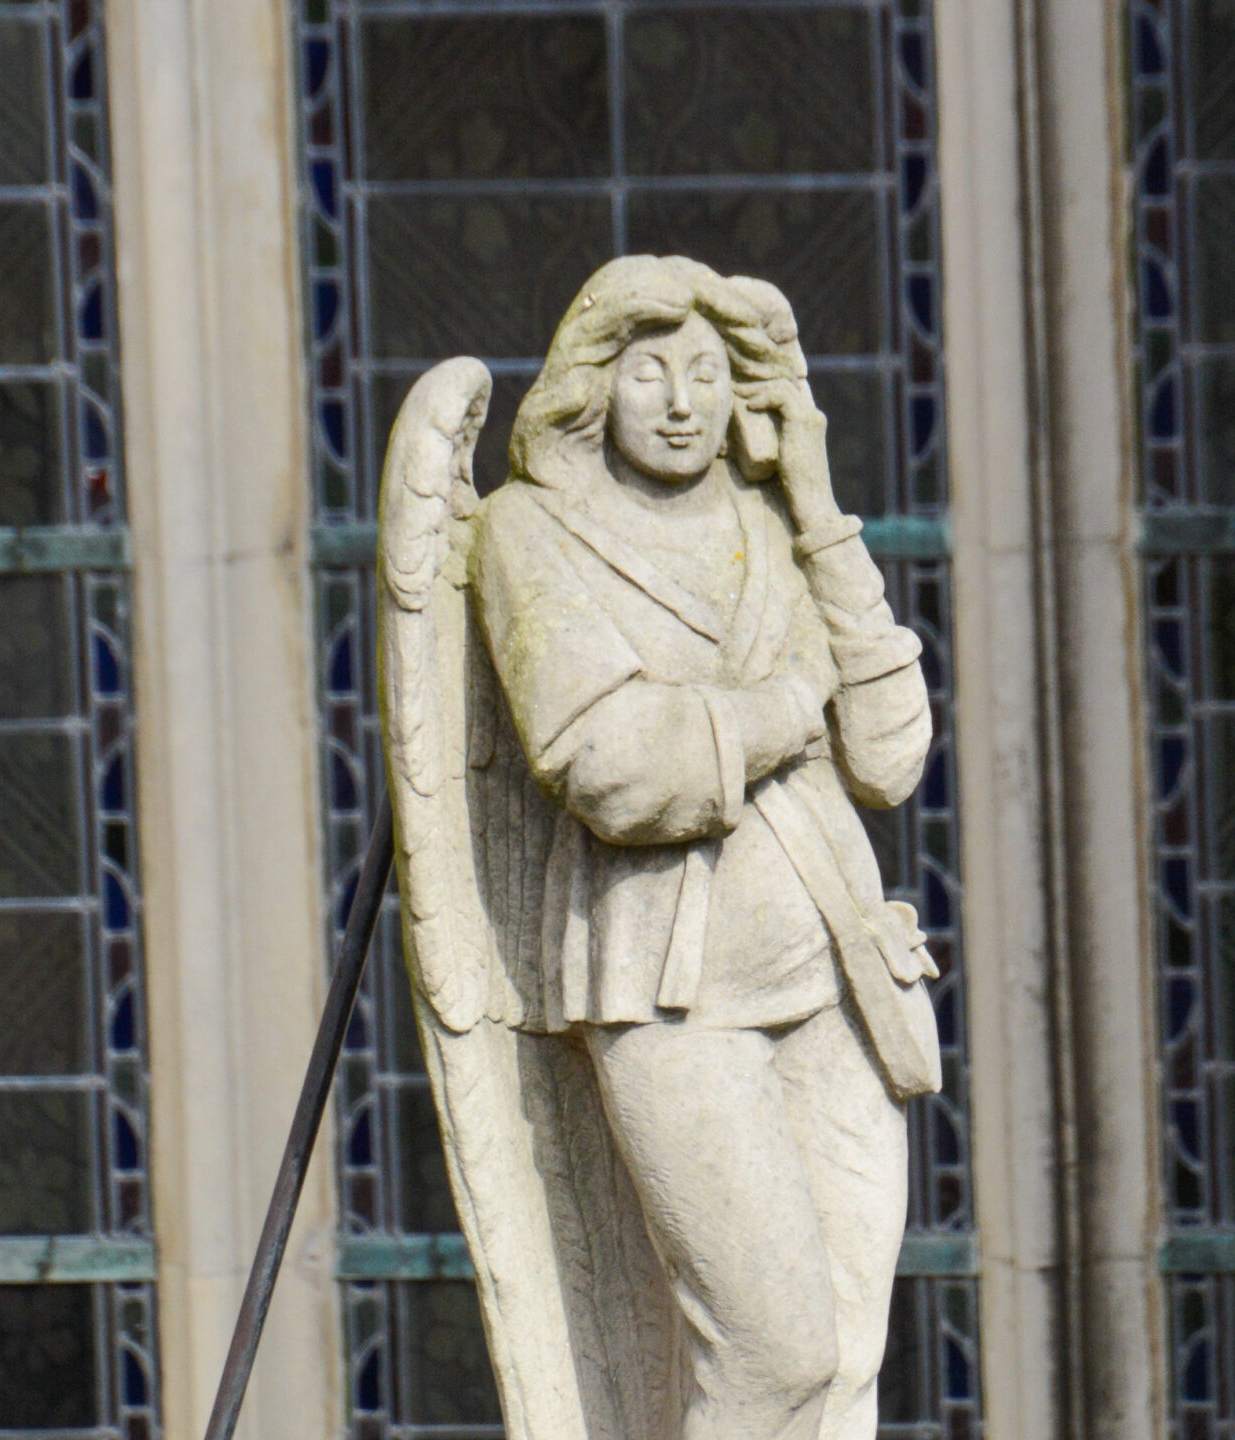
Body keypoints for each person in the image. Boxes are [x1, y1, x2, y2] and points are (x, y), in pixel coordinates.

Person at [381, 254, 936, 1440]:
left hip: (838, 982)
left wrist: (823, 508)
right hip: (671, 996)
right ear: (596, 384)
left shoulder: (779, 531)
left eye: (706, 373)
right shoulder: (535, 535)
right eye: (649, 373)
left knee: (845, 1365)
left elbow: (889, 756)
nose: (683, 402)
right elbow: (612, 765)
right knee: (773, 1356)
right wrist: (788, 708)